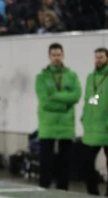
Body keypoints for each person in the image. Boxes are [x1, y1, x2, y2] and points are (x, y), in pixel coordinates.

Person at [35, 43, 82, 190]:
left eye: (59, 55)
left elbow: (76, 96)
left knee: (65, 162)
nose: (56, 58)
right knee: (46, 161)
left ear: (63, 55)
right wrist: (64, 104)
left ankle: (63, 190)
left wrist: (55, 96)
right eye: (54, 55)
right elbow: (44, 101)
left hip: (66, 125)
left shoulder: (71, 75)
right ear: (49, 57)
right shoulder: (42, 77)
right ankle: (43, 188)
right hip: (47, 125)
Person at [82, 47, 108, 198]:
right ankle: (92, 192)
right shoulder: (91, 77)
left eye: (101, 57)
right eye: (96, 57)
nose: (98, 60)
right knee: (87, 162)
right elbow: (89, 99)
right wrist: (84, 117)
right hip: (92, 128)